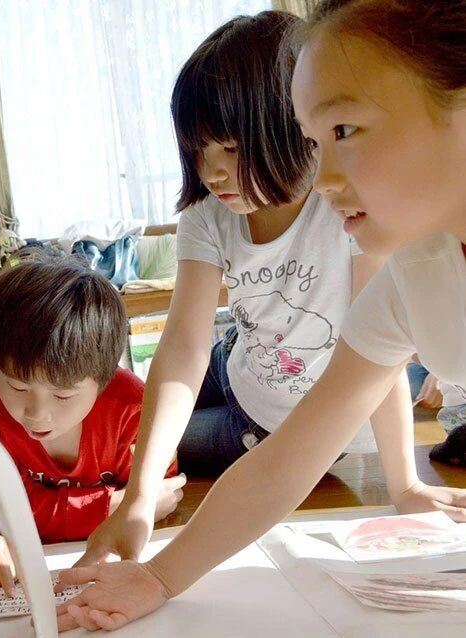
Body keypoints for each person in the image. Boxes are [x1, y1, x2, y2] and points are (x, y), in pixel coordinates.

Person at [56, 0, 466, 631]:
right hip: (247, 375)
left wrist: (403, 480)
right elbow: (287, 458)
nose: (323, 177)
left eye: (343, 131)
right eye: (312, 140)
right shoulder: (413, 275)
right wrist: (159, 572)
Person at [0, 255, 184, 543]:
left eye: (63, 395)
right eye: (17, 387)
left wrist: (127, 507)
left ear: (104, 379)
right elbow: (1, 508)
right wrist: (113, 506)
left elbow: (163, 497)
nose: (37, 414)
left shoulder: (134, 408)